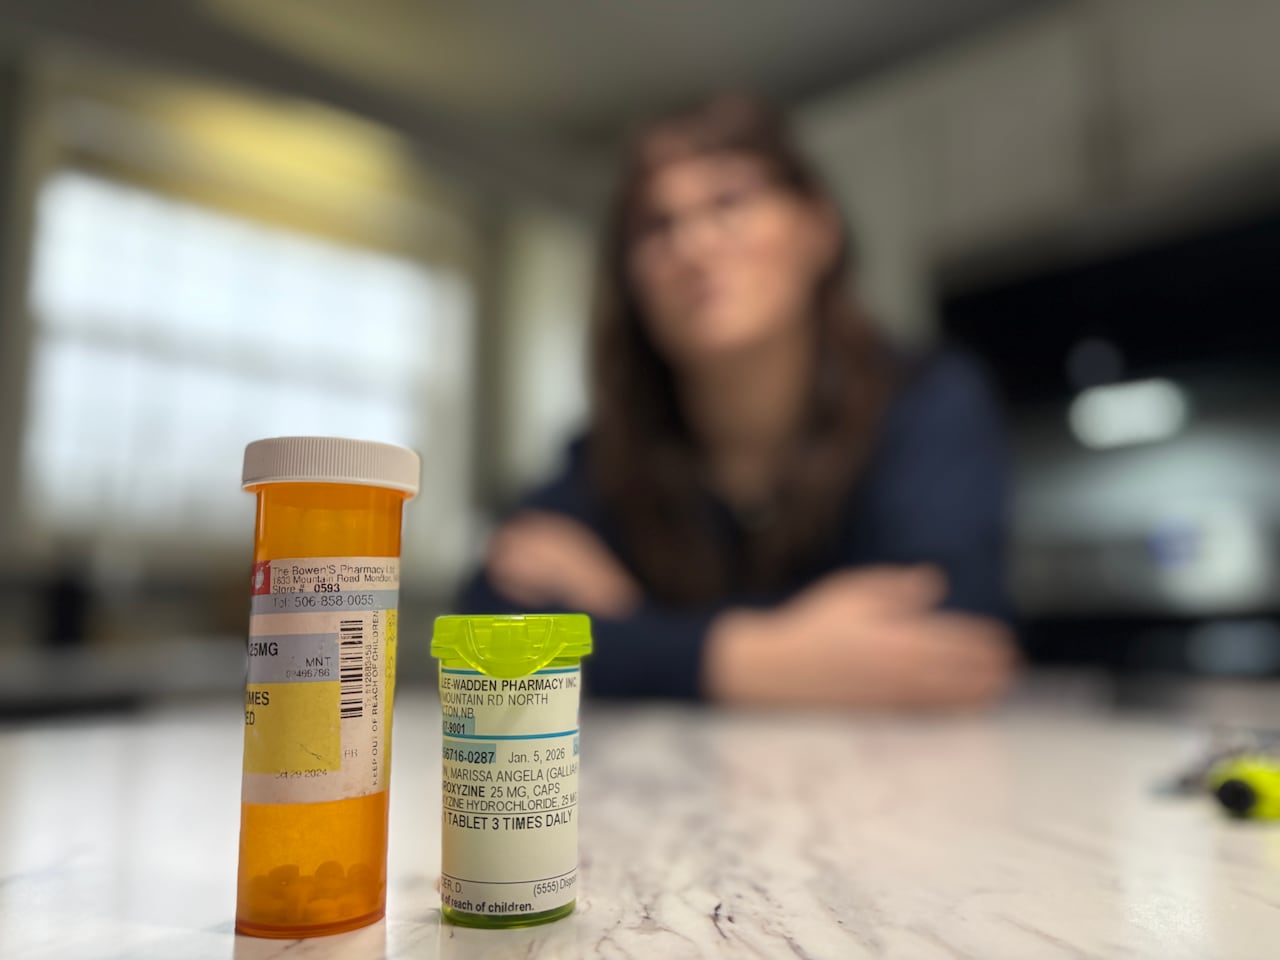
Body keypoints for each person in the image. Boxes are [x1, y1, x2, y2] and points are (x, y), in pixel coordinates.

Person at [459, 95, 1017, 707]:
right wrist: (764, 658)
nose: (692, 245)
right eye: (655, 226)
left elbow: (954, 635)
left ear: (819, 227)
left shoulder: (927, 403)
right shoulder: (610, 455)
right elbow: (486, 630)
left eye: (730, 201)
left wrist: (632, 618)